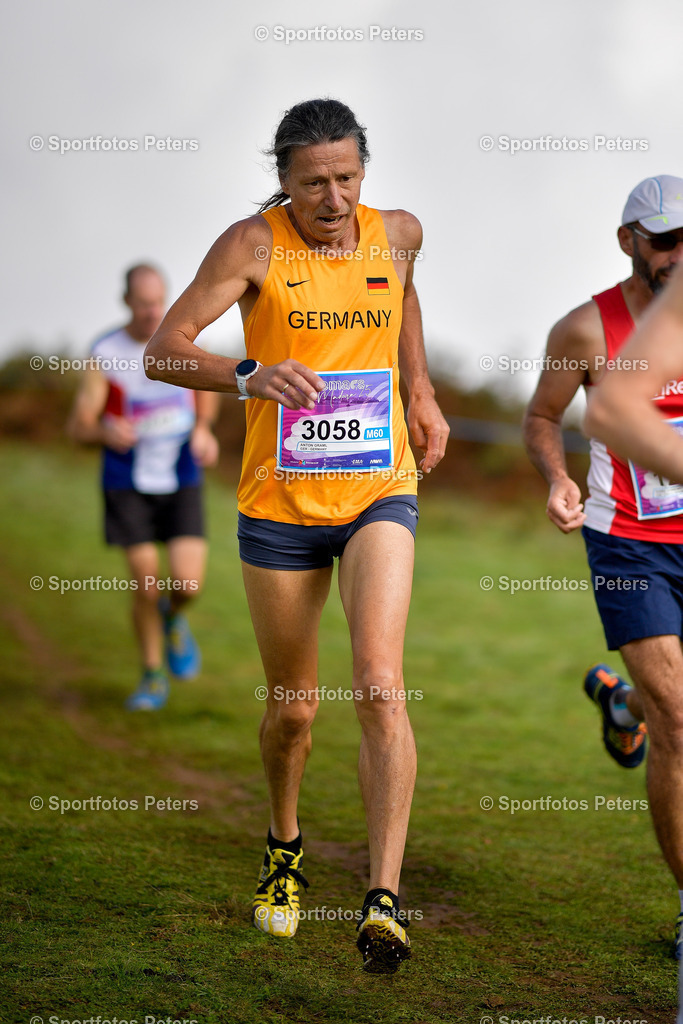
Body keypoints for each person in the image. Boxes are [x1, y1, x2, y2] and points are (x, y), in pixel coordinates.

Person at [144, 98, 449, 973]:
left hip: (376, 490)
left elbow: (405, 304)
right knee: (294, 711)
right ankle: (284, 850)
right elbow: (165, 349)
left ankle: (383, 902)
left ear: (364, 172)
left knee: (381, 686)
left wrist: (419, 391)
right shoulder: (250, 245)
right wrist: (248, 373)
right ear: (282, 181)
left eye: (347, 178)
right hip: (277, 503)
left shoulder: (397, 233)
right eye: (313, 182)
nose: (334, 198)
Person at [523, 175, 683, 960]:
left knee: (665, 707)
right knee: (681, 720)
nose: (676, 255)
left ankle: (623, 707)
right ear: (629, 241)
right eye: (663, 240)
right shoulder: (587, 330)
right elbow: (542, 416)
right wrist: (557, 478)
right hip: (626, 541)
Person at [68, 264, 219, 710]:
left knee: (188, 584)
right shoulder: (106, 353)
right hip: (127, 482)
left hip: (181, 477)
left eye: (159, 301)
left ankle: (174, 617)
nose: (154, 311)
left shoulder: (184, 345)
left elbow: (206, 397)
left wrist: (204, 430)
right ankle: (153, 676)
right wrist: (103, 432)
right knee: (147, 587)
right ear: (127, 302)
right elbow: (78, 427)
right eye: (144, 303)